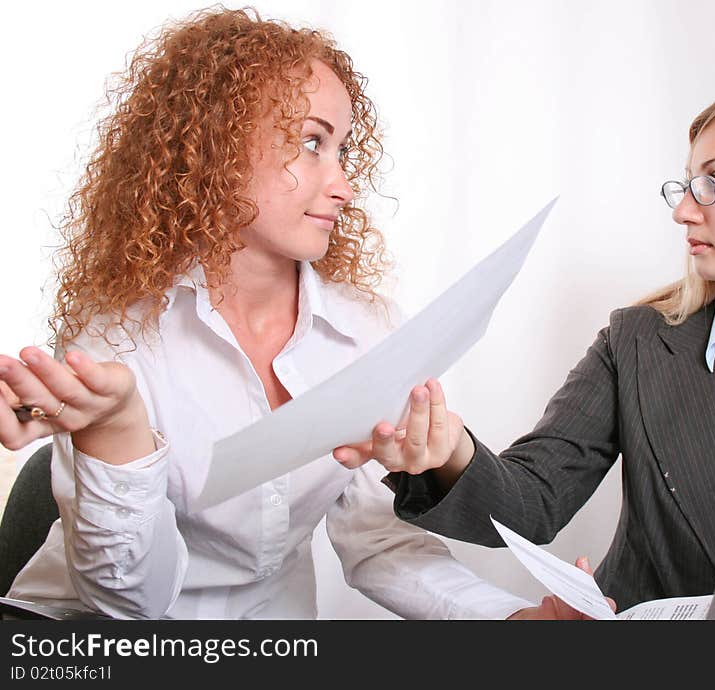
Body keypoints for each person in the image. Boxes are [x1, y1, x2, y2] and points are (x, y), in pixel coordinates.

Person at [0, 6, 550, 620]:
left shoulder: (365, 329)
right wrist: (117, 434)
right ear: (216, 148)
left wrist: (510, 618)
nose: (342, 184)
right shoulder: (116, 340)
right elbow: (130, 600)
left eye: (342, 149)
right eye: (311, 143)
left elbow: (380, 540)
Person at [334, 74, 715, 612]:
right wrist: (451, 451)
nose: (684, 210)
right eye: (686, 184)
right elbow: (531, 504)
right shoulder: (638, 343)